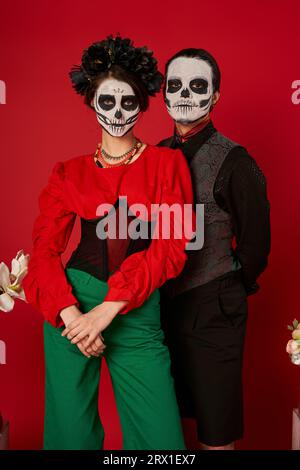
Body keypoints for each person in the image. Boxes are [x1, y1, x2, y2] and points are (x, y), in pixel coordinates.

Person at [22, 35, 194, 450]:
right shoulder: (68, 173)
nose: (117, 112)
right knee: (70, 435)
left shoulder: (168, 164)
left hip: (134, 309)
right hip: (71, 310)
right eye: (107, 102)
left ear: (141, 105)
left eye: (127, 103)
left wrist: (105, 313)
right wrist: (71, 315)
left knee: (160, 442)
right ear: (93, 104)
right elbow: (44, 250)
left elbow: (172, 248)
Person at [158, 48, 271, 450]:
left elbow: (257, 244)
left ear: (216, 96)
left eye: (198, 85)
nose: (185, 93)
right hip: (157, 308)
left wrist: (228, 285)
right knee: (163, 422)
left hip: (214, 307)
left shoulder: (237, 160)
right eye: (175, 85)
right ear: (163, 93)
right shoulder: (153, 156)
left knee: (215, 427)